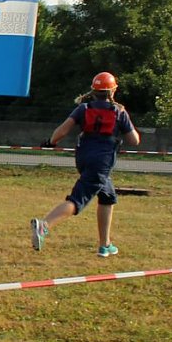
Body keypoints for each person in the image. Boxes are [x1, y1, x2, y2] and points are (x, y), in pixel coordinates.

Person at [31, 72, 140, 257]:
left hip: (83, 158)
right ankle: (44, 225)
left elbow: (62, 130)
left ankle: (105, 245)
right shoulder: (118, 111)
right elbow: (134, 140)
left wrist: (50, 142)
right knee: (77, 200)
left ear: (93, 90)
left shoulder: (84, 108)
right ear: (112, 91)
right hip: (102, 162)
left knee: (107, 197)